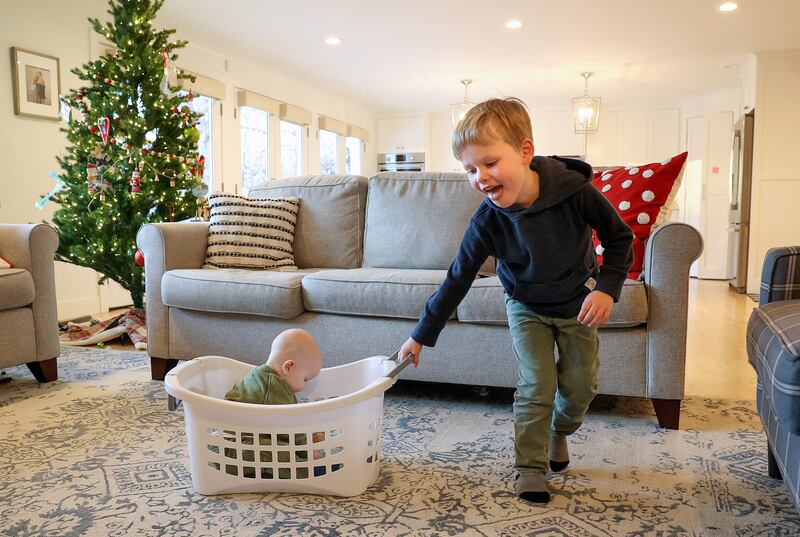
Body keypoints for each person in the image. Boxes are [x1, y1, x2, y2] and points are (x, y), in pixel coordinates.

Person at [399, 98, 633, 504]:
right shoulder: (486, 221)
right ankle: (530, 468)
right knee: (536, 383)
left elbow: (619, 238)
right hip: (525, 307)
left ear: (525, 151)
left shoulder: (575, 192)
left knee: (580, 387)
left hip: (577, 303)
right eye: (470, 170)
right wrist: (420, 335)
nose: (481, 177)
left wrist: (606, 288)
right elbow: (457, 279)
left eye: (490, 163)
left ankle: (559, 430)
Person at [225, 328, 322, 405]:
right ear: (288, 367)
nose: (304, 387)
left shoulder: (258, 374)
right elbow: (287, 419)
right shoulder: (275, 389)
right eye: (305, 379)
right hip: (238, 423)